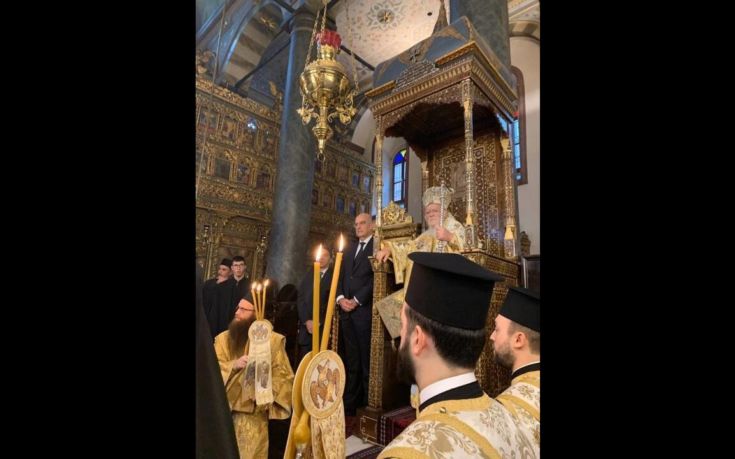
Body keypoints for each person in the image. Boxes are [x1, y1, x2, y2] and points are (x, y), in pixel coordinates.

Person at [378, 252, 540, 459]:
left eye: (402, 325)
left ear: (417, 339)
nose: (400, 336)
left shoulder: (406, 453)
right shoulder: (511, 420)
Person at [374, 185, 466, 339]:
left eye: (434, 210)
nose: (430, 214)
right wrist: (390, 249)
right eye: (427, 212)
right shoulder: (427, 234)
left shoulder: (455, 228)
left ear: (444, 211)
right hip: (423, 291)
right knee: (387, 310)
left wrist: (450, 237)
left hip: (445, 290)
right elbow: (409, 249)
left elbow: (471, 251)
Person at [214, 293, 295, 459]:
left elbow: (284, 376)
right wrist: (233, 365)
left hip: (255, 416)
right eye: (238, 307)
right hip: (225, 413)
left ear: (256, 314)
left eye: (243, 309)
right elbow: (211, 369)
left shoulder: (273, 341)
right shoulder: (223, 339)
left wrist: (265, 389)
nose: (237, 312)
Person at [336, 212, 374, 415]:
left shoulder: (377, 246)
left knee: (366, 359)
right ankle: (351, 401)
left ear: (371, 225)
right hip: (346, 312)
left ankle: (367, 402)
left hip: (364, 312)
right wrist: (341, 298)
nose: (358, 227)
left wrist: (357, 300)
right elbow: (340, 276)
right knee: (351, 359)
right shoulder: (349, 249)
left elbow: (375, 279)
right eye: (356, 224)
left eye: (362, 223)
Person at [296, 246, 333, 364]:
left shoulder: (334, 276)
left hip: (324, 328)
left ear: (331, 258)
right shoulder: (308, 274)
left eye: (325, 255)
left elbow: (331, 302)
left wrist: (319, 321)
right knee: (305, 363)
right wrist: (307, 320)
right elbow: (301, 298)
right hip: (307, 328)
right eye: (319, 255)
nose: (321, 258)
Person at [204, 258, 239, 339]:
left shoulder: (232, 286)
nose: (220, 271)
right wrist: (217, 285)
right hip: (207, 320)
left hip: (221, 322)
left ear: (230, 272)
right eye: (219, 269)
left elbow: (231, 307)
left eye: (224, 269)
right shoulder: (209, 283)